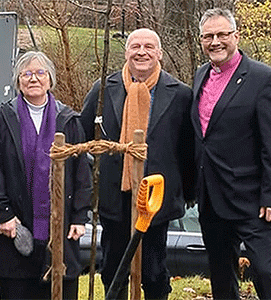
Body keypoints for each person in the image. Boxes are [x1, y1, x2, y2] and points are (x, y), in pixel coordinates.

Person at [80, 28, 195, 300]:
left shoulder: (180, 94)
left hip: (156, 199)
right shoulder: (104, 89)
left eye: (148, 47)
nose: (141, 52)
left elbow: (188, 149)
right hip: (114, 199)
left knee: (154, 272)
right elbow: (82, 136)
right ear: (126, 51)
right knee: (113, 270)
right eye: (135, 46)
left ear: (159, 54)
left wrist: (188, 192)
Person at [192, 8, 271, 300]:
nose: (215, 41)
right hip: (211, 198)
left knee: (267, 272)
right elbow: (203, 138)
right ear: (201, 40)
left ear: (236, 36)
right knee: (221, 274)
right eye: (208, 36)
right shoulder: (201, 75)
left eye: (222, 34)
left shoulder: (264, 79)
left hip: (252, 200)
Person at [0, 51, 92, 300]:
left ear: (50, 80)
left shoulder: (69, 122)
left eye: (40, 72)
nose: (34, 78)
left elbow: (82, 174)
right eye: (27, 73)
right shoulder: (2, 122)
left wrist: (79, 216)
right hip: (14, 230)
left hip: (61, 232)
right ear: (18, 80)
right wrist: (3, 215)